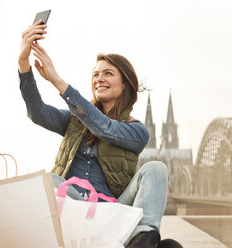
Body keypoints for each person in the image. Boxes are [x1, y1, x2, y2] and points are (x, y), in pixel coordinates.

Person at [18, 20, 182, 248]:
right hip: (71, 205)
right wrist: (23, 62)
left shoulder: (136, 131)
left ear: (125, 84)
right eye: (95, 74)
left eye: (108, 73)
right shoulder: (73, 120)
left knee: (156, 168)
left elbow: (103, 127)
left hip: (110, 211)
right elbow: (37, 113)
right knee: (50, 180)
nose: (99, 79)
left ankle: (145, 237)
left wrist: (58, 81)